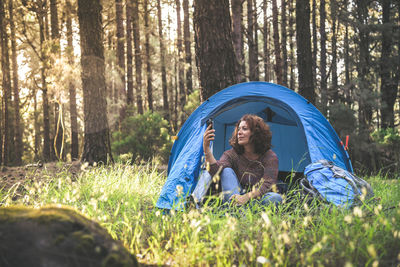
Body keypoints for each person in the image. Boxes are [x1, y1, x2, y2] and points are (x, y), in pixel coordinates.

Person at [192, 114, 282, 207]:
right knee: (226, 170)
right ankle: (236, 210)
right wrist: (206, 149)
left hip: (258, 199)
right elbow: (215, 172)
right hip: (236, 196)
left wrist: (246, 197)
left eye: (244, 129)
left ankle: (245, 213)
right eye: (239, 129)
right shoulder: (231, 154)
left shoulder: (270, 156)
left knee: (275, 198)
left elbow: (267, 185)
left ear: (256, 133)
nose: (239, 132)